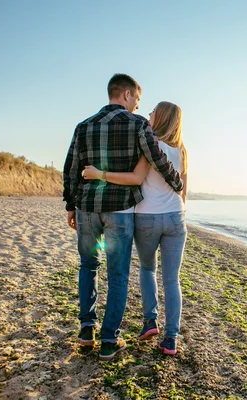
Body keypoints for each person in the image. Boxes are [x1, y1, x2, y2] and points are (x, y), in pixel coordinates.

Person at [63, 74, 183, 361]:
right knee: (117, 274)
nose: (139, 107)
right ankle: (108, 340)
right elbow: (157, 157)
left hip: (87, 208)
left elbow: (71, 167)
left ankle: (86, 330)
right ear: (127, 94)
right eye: (138, 100)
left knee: (88, 267)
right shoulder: (137, 124)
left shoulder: (84, 125)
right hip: (120, 210)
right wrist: (177, 183)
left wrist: (71, 205)